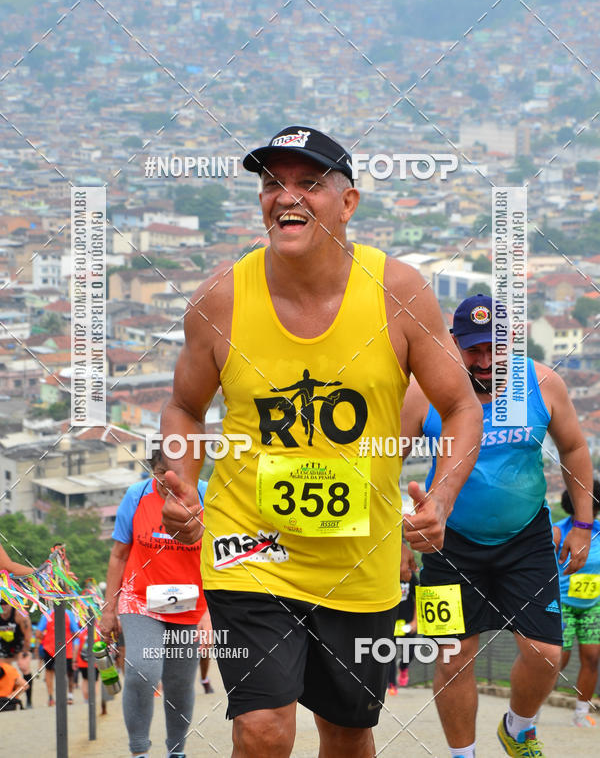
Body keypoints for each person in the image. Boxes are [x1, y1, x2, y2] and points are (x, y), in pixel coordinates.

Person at [160, 124, 483, 758]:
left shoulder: (399, 291)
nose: (287, 197)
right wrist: (183, 483)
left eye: (309, 183)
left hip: (360, 562)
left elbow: (462, 406)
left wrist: (440, 500)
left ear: (349, 202)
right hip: (249, 550)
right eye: (272, 183)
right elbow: (183, 407)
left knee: (347, 733)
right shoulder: (221, 298)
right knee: (262, 726)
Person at [400, 293, 595, 758]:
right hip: (448, 545)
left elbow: (574, 449)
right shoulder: (423, 391)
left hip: (525, 540)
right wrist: (397, 537)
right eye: (473, 350)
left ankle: (519, 727)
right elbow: (387, 463)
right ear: (453, 343)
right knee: (452, 656)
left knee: (547, 653)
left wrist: (583, 524)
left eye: (494, 349)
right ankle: (462, 755)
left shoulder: (543, 384)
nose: (484, 362)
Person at [99, 446, 210, 758]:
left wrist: (209, 615)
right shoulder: (136, 496)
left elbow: (219, 560)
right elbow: (119, 555)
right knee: (143, 670)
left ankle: (176, 751)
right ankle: (139, 751)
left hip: (188, 602)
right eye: (161, 474)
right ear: (152, 470)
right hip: (140, 598)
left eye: (176, 476)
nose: (167, 482)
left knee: (179, 683)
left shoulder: (206, 498)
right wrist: (109, 611)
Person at [553, 481, 600, 728]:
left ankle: (581, 713)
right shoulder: (559, 531)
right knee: (560, 658)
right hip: (564, 604)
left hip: (592, 605)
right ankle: (532, 707)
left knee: (592, 658)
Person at [35, 606, 82, 706]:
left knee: (49, 672)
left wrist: (47, 639)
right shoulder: (69, 614)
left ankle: (51, 697)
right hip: (66, 648)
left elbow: (38, 633)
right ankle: (68, 696)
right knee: (68, 673)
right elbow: (77, 633)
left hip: (49, 648)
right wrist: (69, 639)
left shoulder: (47, 614)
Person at [387, 556, 418, 695]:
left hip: (407, 623)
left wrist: (415, 621)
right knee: (388, 654)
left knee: (409, 653)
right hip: (390, 623)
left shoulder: (410, 576)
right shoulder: (385, 575)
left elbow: (419, 596)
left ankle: (403, 667)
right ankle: (391, 684)